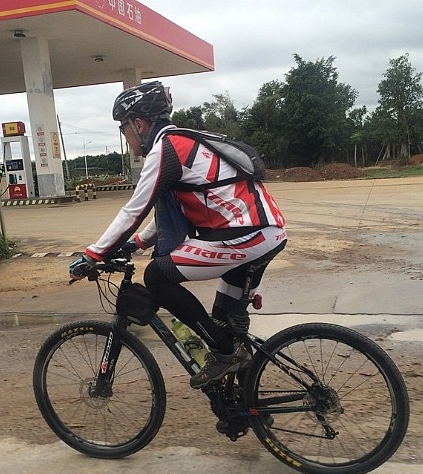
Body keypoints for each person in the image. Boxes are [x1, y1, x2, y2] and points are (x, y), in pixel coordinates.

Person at [69, 81, 287, 389]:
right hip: (265, 232)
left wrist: (94, 254)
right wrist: (137, 243)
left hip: (245, 235)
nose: (125, 136)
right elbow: (169, 212)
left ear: (139, 125)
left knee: (157, 277)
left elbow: (135, 209)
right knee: (223, 319)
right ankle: (243, 399)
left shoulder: (166, 149)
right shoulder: (183, 142)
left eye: (123, 128)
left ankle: (226, 354)